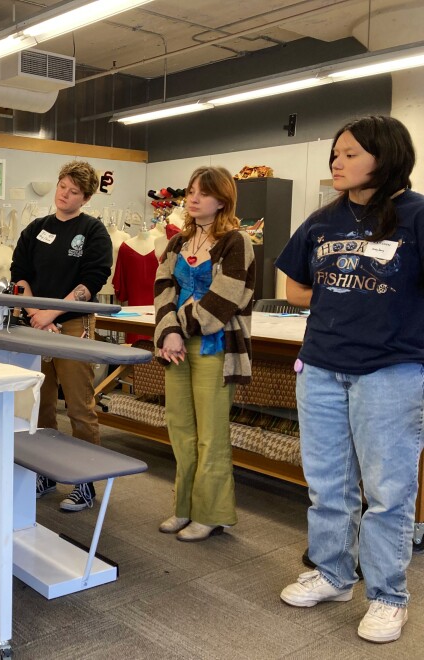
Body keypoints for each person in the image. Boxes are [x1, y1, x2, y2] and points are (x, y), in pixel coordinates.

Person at [276, 115, 424, 644]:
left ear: (384, 158)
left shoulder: (417, 216)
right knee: (328, 484)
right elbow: (295, 289)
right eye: (335, 154)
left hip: (391, 371)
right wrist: (348, 295)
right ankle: (334, 574)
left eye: (350, 154)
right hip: (320, 366)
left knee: (387, 491)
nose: (337, 162)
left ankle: (388, 596)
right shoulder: (322, 221)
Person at [153, 166, 255, 542]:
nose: (193, 198)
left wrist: (181, 326)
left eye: (202, 192)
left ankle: (210, 513)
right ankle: (184, 507)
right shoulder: (179, 241)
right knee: (180, 428)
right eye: (190, 191)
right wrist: (170, 332)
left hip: (217, 345)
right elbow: (162, 286)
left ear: (222, 199)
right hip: (176, 346)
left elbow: (226, 297)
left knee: (211, 433)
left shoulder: (236, 241)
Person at [9, 160, 111, 512]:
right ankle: (46, 473)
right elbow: (19, 273)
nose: (64, 195)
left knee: (80, 407)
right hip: (35, 323)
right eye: (62, 187)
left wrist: (50, 314)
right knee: (41, 403)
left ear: (85, 198)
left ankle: (85, 482)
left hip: (72, 327)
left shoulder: (93, 232)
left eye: (74, 192)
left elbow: (93, 279)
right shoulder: (36, 229)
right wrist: (35, 314)